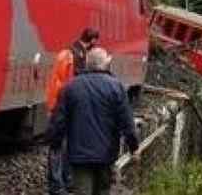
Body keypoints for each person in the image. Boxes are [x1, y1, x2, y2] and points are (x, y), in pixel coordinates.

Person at [48, 47, 140, 195]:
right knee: (103, 190)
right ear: (105, 64)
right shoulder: (116, 87)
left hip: (79, 155)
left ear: (87, 64)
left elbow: (59, 121)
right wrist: (134, 147)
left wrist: (55, 143)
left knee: (82, 191)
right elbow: (127, 122)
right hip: (106, 154)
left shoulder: (71, 87)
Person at [46, 28, 100, 195]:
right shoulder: (78, 58)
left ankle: (61, 182)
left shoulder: (66, 54)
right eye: (95, 42)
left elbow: (56, 83)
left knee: (60, 144)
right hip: (66, 107)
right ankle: (59, 183)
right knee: (61, 146)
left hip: (59, 105)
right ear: (92, 40)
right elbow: (71, 85)